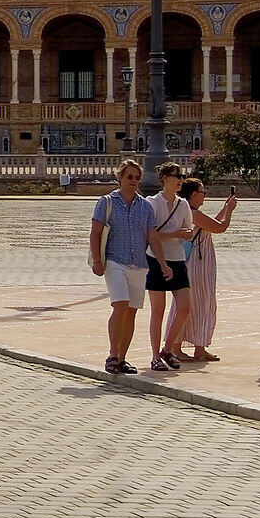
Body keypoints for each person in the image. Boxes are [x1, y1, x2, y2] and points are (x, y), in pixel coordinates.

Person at [89, 157, 160, 376]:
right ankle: (112, 355)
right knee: (120, 306)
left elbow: (153, 237)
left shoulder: (145, 206)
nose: (134, 181)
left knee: (130, 313)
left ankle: (121, 358)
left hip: (139, 264)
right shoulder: (107, 202)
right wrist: (98, 261)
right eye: (129, 177)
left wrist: (163, 263)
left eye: (137, 178)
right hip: (115, 261)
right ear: (120, 177)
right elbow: (95, 233)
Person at [144, 163, 193, 371]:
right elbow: (151, 235)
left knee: (185, 308)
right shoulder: (153, 203)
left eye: (182, 175)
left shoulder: (183, 204)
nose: (180, 179)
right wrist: (176, 234)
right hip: (155, 259)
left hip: (177, 258)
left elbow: (188, 228)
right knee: (158, 310)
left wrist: (186, 234)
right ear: (164, 178)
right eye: (176, 176)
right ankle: (155, 355)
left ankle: (168, 349)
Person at [179, 176, 234, 364]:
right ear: (194, 194)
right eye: (203, 192)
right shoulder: (192, 213)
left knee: (199, 305)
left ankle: (199, 347)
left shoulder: (188, 211)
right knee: (199, 304)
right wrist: (230, 212)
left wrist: (225, 209)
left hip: (197, 263)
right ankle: (179, 347)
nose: (205, 195)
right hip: (197, 265)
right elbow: (220, 228)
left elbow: (209, 225)